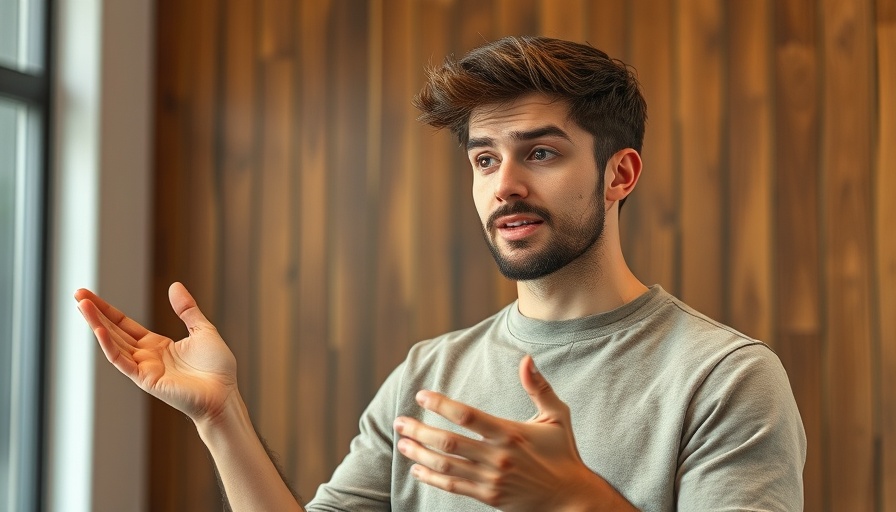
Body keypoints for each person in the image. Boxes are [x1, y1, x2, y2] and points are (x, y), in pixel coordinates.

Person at [75, 36, 806, 511]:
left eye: (541, 153)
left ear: (621, 174)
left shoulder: (726, 378)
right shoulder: (430, 372)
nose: (505, 184)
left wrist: (577, 501)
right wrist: (220, 418)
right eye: (485, 158)